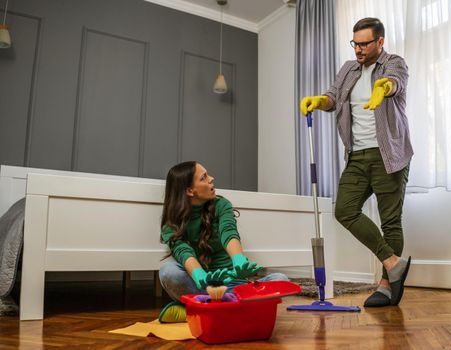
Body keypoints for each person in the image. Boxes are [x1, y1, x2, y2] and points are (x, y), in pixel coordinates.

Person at [300, 18, 413, 307]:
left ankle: (387, 287)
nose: (359, 50)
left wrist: (383, 87)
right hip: (357, 155)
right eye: (355, 43)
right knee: (344, 210)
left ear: (380, 42)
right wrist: (319, 100)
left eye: (364, 44)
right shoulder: (348, 69)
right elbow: (333, 97)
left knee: (390, 222)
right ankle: (393, 262)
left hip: (389, 153)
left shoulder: (393, 62)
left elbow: (396, 83)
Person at [157, 161, 288, 322]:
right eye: (204, 178)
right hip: (203, 289)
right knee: (168, 272)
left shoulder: (221, 204)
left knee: (280, 279)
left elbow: (228, 230)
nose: (212, 179)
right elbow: (183, 251)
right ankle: (232, 309)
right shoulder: (171, 223)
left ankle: (198, 310)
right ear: (190, 190)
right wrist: (198, 274)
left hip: (235, 287)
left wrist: (238, 259)